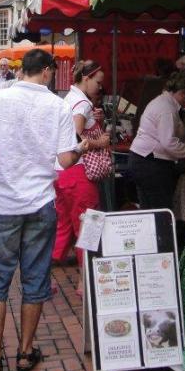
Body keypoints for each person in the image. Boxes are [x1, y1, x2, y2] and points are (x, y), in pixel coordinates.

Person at [0, 49, 84, 371]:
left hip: (2, 203)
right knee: (35, 278)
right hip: (41, 203)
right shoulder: (58, 106)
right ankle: (26, 351)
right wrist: (80, 148)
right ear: (45, 72)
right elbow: (65, 160)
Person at [53, 60, 110, 269]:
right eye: (98, 82)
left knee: (65, 225)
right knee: (88, 224)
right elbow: (75, 138)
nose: (100, 87)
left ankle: (44, 272)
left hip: (62, 172)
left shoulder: (69, 98)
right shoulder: (83, 104)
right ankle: (87, 279)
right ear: (86, 78)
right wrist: (100, 142)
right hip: (78, 172)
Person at [129, 72, 185, 211]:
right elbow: (168, 142)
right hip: (150, 163)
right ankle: (162, 233)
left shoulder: (163, 102)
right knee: (161, 209)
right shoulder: (167, 109)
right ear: (182, 93)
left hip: (142, 159)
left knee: (149, 208)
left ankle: (153, 232)